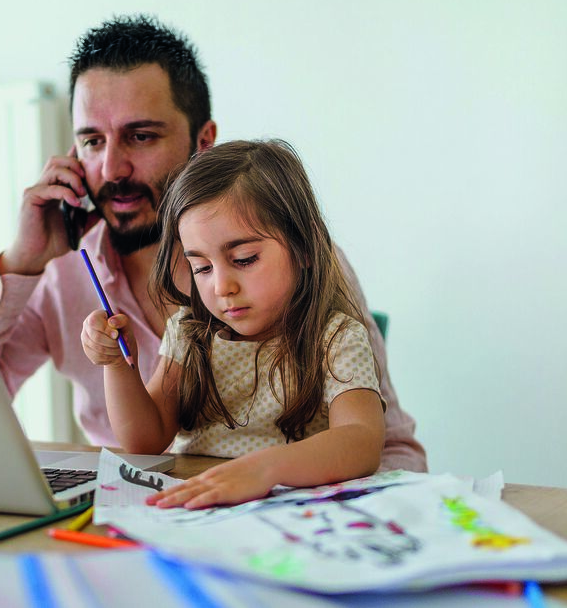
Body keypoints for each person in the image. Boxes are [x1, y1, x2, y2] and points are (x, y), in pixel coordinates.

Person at [0, 14, 426, 472]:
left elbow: (387, 446)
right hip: (160, 511)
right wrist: (22, 262)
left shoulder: (311, 270)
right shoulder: (68, 271)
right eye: (91, 141)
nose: (111, 169)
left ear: (203, 142)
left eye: (140, 136)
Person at [82, 139, 386, 508]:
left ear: (304, 247)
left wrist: (265, 469)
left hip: (292, 519)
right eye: (202, 268)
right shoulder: (189, 333)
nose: (221, 286)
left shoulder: (335, 338)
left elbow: (361, 441)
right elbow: (144, 442)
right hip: (198, 511)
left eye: (243, 259)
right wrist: (116, 365)